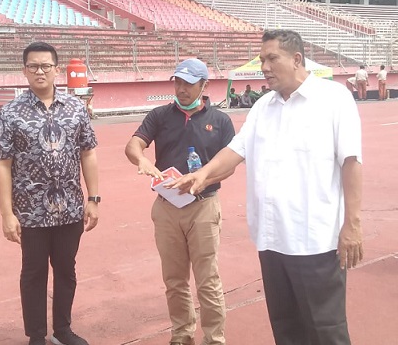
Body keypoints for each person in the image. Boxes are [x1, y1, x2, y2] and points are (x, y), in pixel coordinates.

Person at [167, 29, 363, 345]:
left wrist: (352, 225)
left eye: (272, 58)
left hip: (315, 241)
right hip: (272, 240)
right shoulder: (263, 107)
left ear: (297, 59)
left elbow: (352, 163)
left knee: (326, 330)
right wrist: (203, 174)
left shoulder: (333, 99)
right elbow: (235, 151)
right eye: (262, 60)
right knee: (286, 327)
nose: (265, 67)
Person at [0, 42, 99, 345]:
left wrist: (93, 199)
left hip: (70, 208)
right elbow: (2, 165)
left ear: (56, 69)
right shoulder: (11, 113)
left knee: (67, 270)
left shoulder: (76, 108)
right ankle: (36, 335)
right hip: (30, 211)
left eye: (46, 66)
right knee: (33, 273)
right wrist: (6, 214)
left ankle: (62, 330)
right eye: (33, 66)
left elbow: (88, 154)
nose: (40, 71)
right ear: (25, 70)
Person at [124, 58, 235, 345]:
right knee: (174, 281)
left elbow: (229, 165)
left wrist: (202, 179)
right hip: (167, 207)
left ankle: (214, 339)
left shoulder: (220, 121)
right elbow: (134, 144)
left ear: (204, 85)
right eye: (178, 82)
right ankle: (182, 335)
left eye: (188, 83)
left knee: (207, 280)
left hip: (203, 206)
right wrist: (142, 160)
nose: (181, 89)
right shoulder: (160, 115)